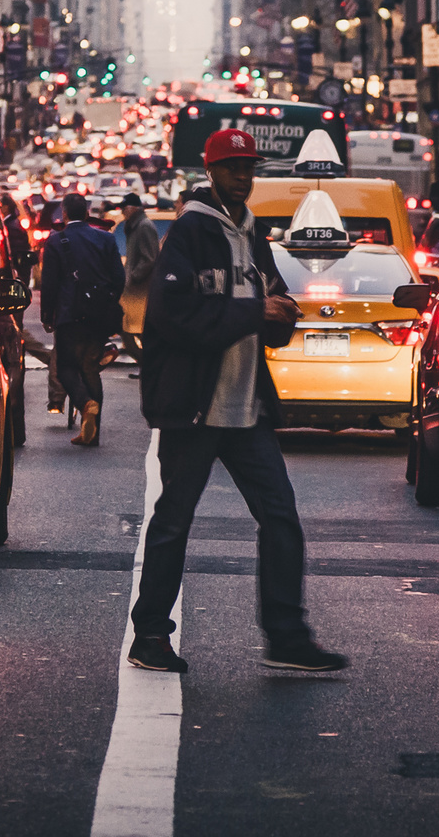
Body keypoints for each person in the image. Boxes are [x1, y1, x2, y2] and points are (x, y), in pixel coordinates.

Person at [130, 127, 346, 674]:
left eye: (249, 167)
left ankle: (286, 635)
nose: (243, 177)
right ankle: (151, 634)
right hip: (194, 407)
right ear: (211, 170)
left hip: (246, 408)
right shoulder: (189, 234)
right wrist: (257, 314)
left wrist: (281, 314)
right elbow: (172, 320)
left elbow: (269, 308)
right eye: (232, 168)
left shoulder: (254, 235)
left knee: (281, 517)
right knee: (174, 519)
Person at [39, 192, 125, 446]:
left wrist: (47, 315)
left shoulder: (56, 241)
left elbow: (50, 283)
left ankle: (85, 404)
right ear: (87, 213)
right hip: (98, 315)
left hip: (69, 314)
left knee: (66, 368)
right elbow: (119, 278)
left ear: (64, 214)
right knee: (90, 368)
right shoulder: (106, 239)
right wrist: (108, 301)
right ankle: (93, 432)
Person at [117, 192, 160, 364]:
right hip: (134, 292)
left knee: (137, 333)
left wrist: (134, 276)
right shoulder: (135, 226)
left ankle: (149, 367)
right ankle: (147, 367)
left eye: (124, 208)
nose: (122, 212)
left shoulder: (143, 226)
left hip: (141, 293)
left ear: (134, 208)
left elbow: (149, 258)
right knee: (130, 333)